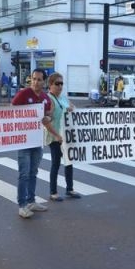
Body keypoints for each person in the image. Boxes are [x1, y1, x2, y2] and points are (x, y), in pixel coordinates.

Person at [11, 68, 60, 218]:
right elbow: (11, 111)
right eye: (33, 79)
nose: (36, 82)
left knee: (33, 173)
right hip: (24, 141)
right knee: (24, 174)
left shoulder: (45, 98)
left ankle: (31, 201)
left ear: (44, 81)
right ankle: (22, 205)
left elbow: (48, 116)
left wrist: (49, 119)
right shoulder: (23, 94)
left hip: (37, 141)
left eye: (39, 79)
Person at [46, 72, 82, 201]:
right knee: (56, 163)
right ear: (50, 85)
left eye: (61, 83)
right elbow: (47, 118)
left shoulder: (63, 98)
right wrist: (56, 135)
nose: (60, 86)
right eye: (57, 83)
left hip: (66, 136)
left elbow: (73, 108)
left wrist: (72, 109)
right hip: (55, 136)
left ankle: (70, 189)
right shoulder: (49, 99)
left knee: (69, 161)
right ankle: (53, 192)